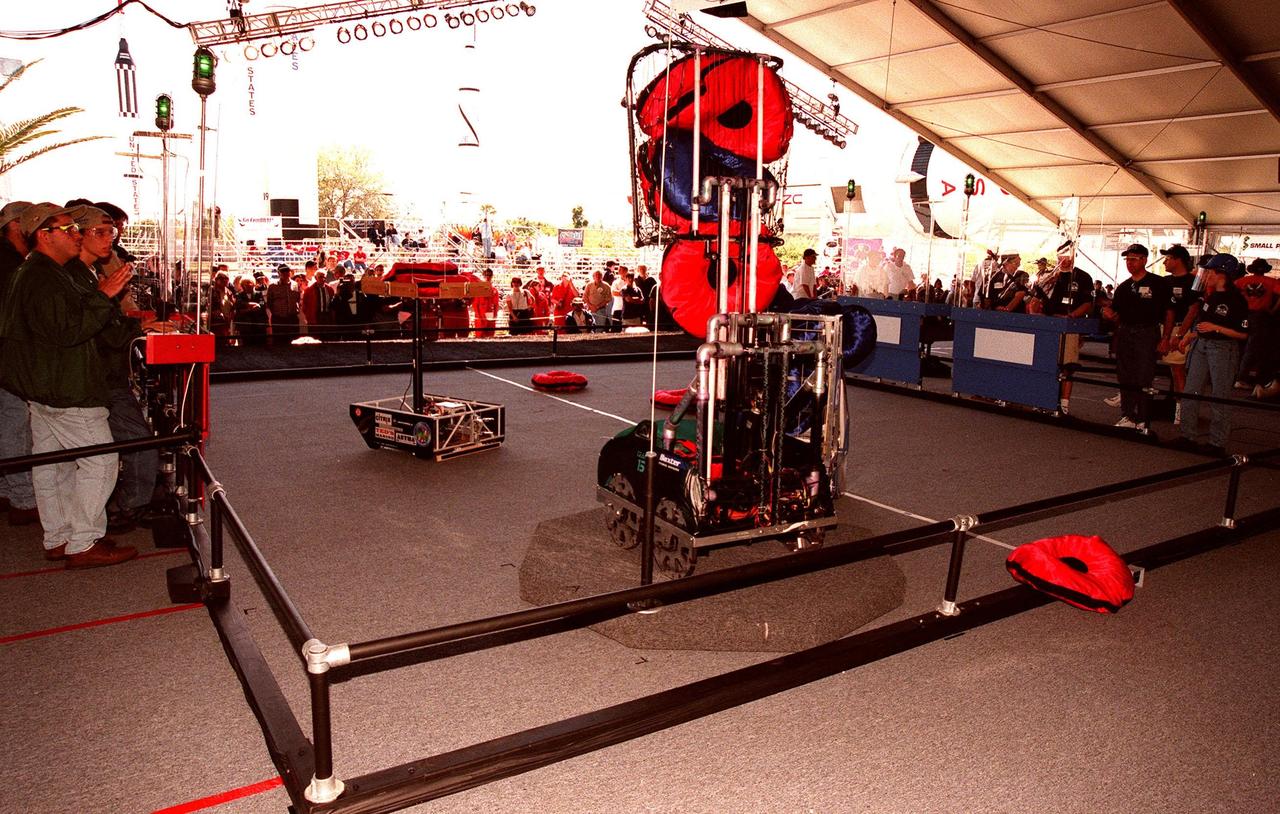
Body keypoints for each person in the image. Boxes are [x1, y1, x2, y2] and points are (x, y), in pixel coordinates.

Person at [0, 203, 138, 567]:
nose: (76, 234)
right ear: (44, 235)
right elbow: (69, 330)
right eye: (68, 229)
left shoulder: (40, 272)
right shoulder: (42, 277)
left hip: (48, 386)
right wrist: (104, 295)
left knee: (53, 464)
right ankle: (82, 542)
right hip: (65, 387)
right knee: (101, 461)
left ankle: (60, 536)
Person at [1174, 254, 1250, 456]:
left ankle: (1217, 442)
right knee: (1191, 390)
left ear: (1221, 274)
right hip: (1203, 345)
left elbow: (1242, 333)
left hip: (1223, 348)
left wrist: (1216, 328)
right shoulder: (1212, 296)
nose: (1205, 275)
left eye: (1209, 271)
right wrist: (1191, 335)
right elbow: (1204, 323)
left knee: (1220, 395)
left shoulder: (1236, 300)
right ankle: (1187, 435)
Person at [1101, 244, 1169, 430]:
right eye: (1127, 259)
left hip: (1147, 333)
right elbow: (1116, 313)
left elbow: (1169, 311)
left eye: (1133, 259)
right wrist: (1107, 313)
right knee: (1125, 375)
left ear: (1144, 260)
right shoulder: (1124, 287)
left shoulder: (1158, 283)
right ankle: (1128, 415)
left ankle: (1143, 418)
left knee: (1144, 376)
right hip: (1126, 333)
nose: (1129, 263)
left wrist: (1166, 338)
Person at [0, 200, 39, 526]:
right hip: (7, 358)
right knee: (14, 424)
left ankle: (8, 489)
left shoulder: (12, 261)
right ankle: (22, 497)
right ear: (16, 226)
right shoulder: (10, 264)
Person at [1041, 240, 1094, 414]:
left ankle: (1064, 403)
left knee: (1068, 366)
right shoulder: (1051, 277)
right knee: (1048, 363)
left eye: (1067, 255)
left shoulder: (1083, 277)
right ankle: (1045, 399)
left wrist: (1071, 316)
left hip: (1069, 326)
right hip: (1050, 326)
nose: (1063, 259)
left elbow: (1087, 303)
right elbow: (1037, 299)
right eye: (1060, 256)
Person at [1157, 245, 1202, 425]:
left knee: (1178, 371)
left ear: (1178, 260)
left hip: (1180, 329)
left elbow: (1193, 310)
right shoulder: (1164, 281)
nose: (1164, 262)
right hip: (1161, 327)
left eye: (1168, 258)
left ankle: (1181, 411)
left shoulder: (1193, 282)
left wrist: (1180, 334)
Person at [1234, 257, 1280, 389]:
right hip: (1260, 316)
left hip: (1242, 316)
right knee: (1253, 347)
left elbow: (1231, 292)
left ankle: (1236, 375)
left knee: (1239, 345)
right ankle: (1242, 378)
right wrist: (1272, 310)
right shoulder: (1271, 282)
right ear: (1265, 270)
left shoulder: (1242, 281)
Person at [266, 265, 300, 344]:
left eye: (287, 271)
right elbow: (269, 302)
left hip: (292, 318)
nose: (285, 273)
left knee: (294, 341)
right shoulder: (273, 286)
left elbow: (297, 299)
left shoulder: (295, 284)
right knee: (279, 341)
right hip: (279, 318)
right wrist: (277, 312)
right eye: (283, 272)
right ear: (279, 273)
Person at [471, 268, 499, 338]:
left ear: (492, 276)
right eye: (486, 275)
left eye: (489, 275)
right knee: (480, 334)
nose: (488, 277)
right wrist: (479, 317)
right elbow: (475, 305)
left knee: (490, 335)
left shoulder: (494, 290)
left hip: (490, 313)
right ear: (483, 276)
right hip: (480, 313)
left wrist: (495, 316)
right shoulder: (479, 289)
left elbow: (496, 304)